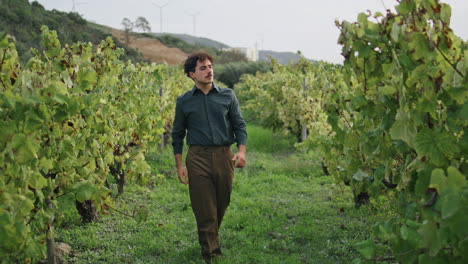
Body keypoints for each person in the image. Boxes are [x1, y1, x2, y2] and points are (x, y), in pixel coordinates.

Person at [171, 52, 247, 263]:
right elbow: (177, 135)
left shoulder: (227, 95)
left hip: (225, 155)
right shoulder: (184, 101)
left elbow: (239, 125)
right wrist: (179, 165)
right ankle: (211, 254)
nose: (209, 71)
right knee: (204, 209)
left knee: (221, 204)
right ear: (191, 74)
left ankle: (210, 236)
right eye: (203, 68)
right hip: (197, 158)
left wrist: (241, 151)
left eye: (210, 66)